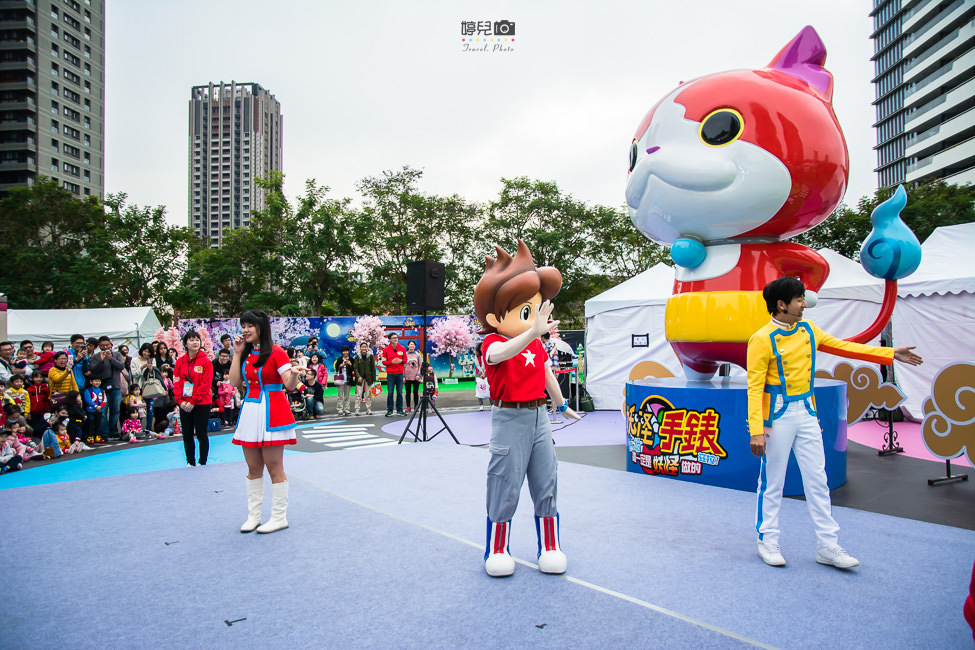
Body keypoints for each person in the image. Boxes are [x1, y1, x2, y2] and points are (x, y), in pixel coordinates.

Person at [747, 276, 923, 569]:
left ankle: (828, 545)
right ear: (781, 305)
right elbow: (754, 387)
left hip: (806, 411)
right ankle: (767, 538)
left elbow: (844, 347)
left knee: (817, 479)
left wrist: (890, 353)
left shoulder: (808, 329)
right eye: (799, 299)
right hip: (776, 416)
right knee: (772, 481)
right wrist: (756, 432)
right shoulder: (761, 339)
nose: (805, 304)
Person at [472, 239, 580, 578]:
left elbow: (546, 373)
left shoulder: (534, 342)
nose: (532, 318)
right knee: (504, 482)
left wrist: (561, 405)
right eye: (524, 311)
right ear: (493, 316)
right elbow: (498, 356)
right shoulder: (492, 341)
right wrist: (532, 331)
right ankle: (498, 548)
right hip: (509, 417)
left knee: (546, 480)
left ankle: (549, 545)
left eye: (534, 309)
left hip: (539, 417)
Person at [229, 309, 300, 534]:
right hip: (250, 411)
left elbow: (289, 384)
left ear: (262, 328)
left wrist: (296, 373)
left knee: (274, 466)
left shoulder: (277, 352)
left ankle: (279, 517)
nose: (245, 330)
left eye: (250, 325)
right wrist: (237, 353)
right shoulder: (245, 353)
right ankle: (254, 516)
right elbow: (234, 381)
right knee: (253, 467)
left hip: (273, 411)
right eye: (243, 325)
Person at [173, 330, 214, 467]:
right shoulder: (180, 362)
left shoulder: (206, 362)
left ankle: (203, 461)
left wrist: (193, 401)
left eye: (197, 339)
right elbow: (177, 382)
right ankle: (190, 461)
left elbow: (206, 384)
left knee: (202, 433)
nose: (195, 342)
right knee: (187, 434)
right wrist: (180, 401)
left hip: (201, 403)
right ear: (185, 343)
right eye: (191, 340)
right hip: (184, 403)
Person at [88, 336, 125, 439]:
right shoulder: (95, 356)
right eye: (102, 345)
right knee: (103, 411)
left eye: (107, 345)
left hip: (115, 386)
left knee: (115, 410)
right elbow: (93, 370)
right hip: (101, 388)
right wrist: (101, 360)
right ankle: (104, 433)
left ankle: (114, 431)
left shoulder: (117, 354)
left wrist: (111, 359)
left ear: (111, 345)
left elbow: (121, 366)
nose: (105, 347)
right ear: (99, 346)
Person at [382, 333, 407, 416]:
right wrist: (390, 362)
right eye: (393, 338)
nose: (396, 339)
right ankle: (390, 410)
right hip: (390, 374)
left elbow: (405, 360)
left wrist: (401, 361)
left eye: (396, 337)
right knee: (390, 392)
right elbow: (384, 362)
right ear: (389, 339)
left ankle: (400, 409)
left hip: (400, 373)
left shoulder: (402, 348)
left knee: (400, 392)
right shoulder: (386, 350)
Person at [352, 342, 376, 416]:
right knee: (359, 394)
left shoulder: (370, 356)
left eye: (365, 347)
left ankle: (368, 409)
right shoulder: (357, 357)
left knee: (368, 394)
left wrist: (374, 379)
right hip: (360, 378)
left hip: (369, 378)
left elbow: (373, 368)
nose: (364, 348)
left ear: (367, 348)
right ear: (360, 348)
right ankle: (357, 409)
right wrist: (358, 376)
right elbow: (355, 368)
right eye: (362, 347)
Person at [82, 376, 106, 444]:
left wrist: (100, 406)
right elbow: (88, 400)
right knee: (90, 423)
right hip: (91, 410)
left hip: (99, 410)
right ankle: (90, 436)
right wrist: (95, 406)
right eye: (95, 381)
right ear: (91, 382)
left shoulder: (102, 390)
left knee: (98, 423)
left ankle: (97, 435)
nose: (97, 382)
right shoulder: (88, 390)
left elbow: (104, 400)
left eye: (98, 381)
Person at [332, 346, 354, 416]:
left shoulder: (351, 359)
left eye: (346, 351)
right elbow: (336, 369)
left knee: (347, 396)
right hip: (340, 380)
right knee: (340, 395)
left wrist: (350, 364)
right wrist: (341, 366)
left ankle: (347, 409)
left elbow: (354, 369)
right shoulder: (339, 359)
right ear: (342, 352)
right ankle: (340, 409)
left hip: (348, 379)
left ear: (348, 351)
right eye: (344, 351)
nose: (345, 352)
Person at [403, 341, 421, 414]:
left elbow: (420, 365)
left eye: (413, 344)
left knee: (415, 392)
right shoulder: (405, 354)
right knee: (408, 392)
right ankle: (408, 406)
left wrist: (418, 375)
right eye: (410, 344)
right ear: (408, 346)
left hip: (415, 377)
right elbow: (403, 366)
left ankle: (416, 406)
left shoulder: (418, 355)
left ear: (415, 346)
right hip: (407, 377)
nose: (411, 346)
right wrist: (403, 376)